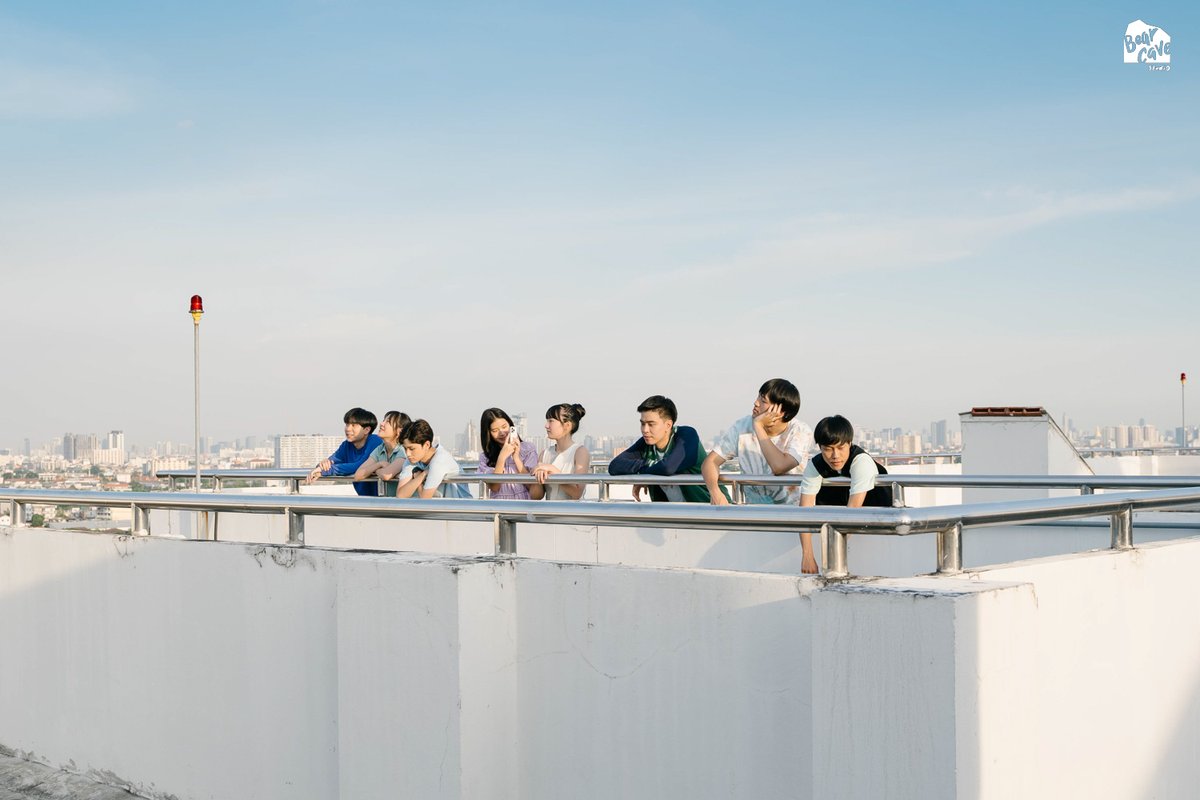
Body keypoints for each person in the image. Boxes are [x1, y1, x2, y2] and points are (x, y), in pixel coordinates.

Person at [798, 414, 894, 574]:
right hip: (838, 518)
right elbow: (804, 510)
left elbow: (853, 511)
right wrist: (807, 555)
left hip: (878, 520)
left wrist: (831, 555)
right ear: (820, 447)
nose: (835, 455)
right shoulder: (815, 465)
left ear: (850, 444)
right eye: (827, 449)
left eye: (840, 448)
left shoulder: (861, 461)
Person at [702, 378, 812, 506]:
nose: (756, 403)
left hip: (793, 515)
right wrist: (715, 493)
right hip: (754, 513)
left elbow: (779, 467)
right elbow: (710, 462)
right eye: (758, 397)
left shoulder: (800, 431)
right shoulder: (742, 426)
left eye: (763, 401)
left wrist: (758, 426)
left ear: (781, 411)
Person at [608, 395, 719, 503]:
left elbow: (668, 467)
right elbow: (615, 466)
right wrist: (644, 473)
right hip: (673, 513)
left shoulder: (686, 435)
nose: (645, 430)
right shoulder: (646, 443)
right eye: (642, 424)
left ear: (668, 425)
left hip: (709, 507)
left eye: (651, 424)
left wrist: (646, 473)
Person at [305, 407, 384, 496]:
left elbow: (360, 466)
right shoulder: (346, 445)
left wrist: (324, 470)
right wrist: (322, 465)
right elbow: (331, 461)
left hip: (385, 498)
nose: (348, 429)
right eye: (347, 424)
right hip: (366, 499)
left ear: (367, 430)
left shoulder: (376, 441)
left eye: (353, 425)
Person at [394, 419, 471, 499]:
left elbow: (425, 499)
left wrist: (418, 482)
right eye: (405, 448)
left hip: (462, 507)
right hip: (443, 506)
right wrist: (422, 475)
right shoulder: (412, 459)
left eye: (412, 449)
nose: (408, 454)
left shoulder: (439, 460)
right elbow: (400, 495)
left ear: (427, 445)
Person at [530, 403, 590, 501]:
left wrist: (551, 469)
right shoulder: (545, 453)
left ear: (567, 425)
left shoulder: (580, 452)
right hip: (549, 514)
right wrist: (538, 475)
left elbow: (577, 493)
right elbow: (536, 496)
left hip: (573, 514)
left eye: (551, 421)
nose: (546, 426)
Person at [478, 408, 539, 500]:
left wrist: (516, 458)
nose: (502, 433)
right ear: (488, 433)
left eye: (504, 426)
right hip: (500, 508)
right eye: (495, 430)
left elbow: (533, 486)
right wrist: (502, 457)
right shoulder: (485, 457)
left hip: (525, 506)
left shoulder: (528, 449)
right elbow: (495, 487)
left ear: (510, 426)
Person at [352, 410, 410, 497]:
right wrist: (380, 464)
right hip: (389, 503)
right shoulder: (380, 448)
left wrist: (374, 471)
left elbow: (387, 475)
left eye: (388, 422)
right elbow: (358, 475)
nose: (382, 424)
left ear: (399, 431)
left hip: (408, 504)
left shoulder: (404, 450)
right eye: (384, 420)